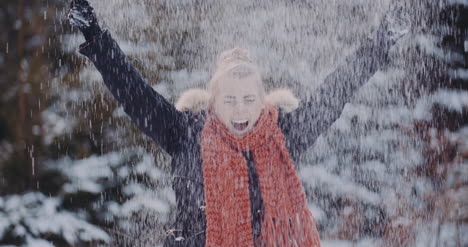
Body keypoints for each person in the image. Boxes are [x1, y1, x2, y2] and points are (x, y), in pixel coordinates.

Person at [68, 0, 409, 246]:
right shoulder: (185, 133)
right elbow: (134, 92)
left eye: (249, 99)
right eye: (230, 100)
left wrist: (383, 40)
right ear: (214, 103)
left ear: (263, 100)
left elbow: (336, 91)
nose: (240, 110)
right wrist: (95, 35)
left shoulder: (284, 135)